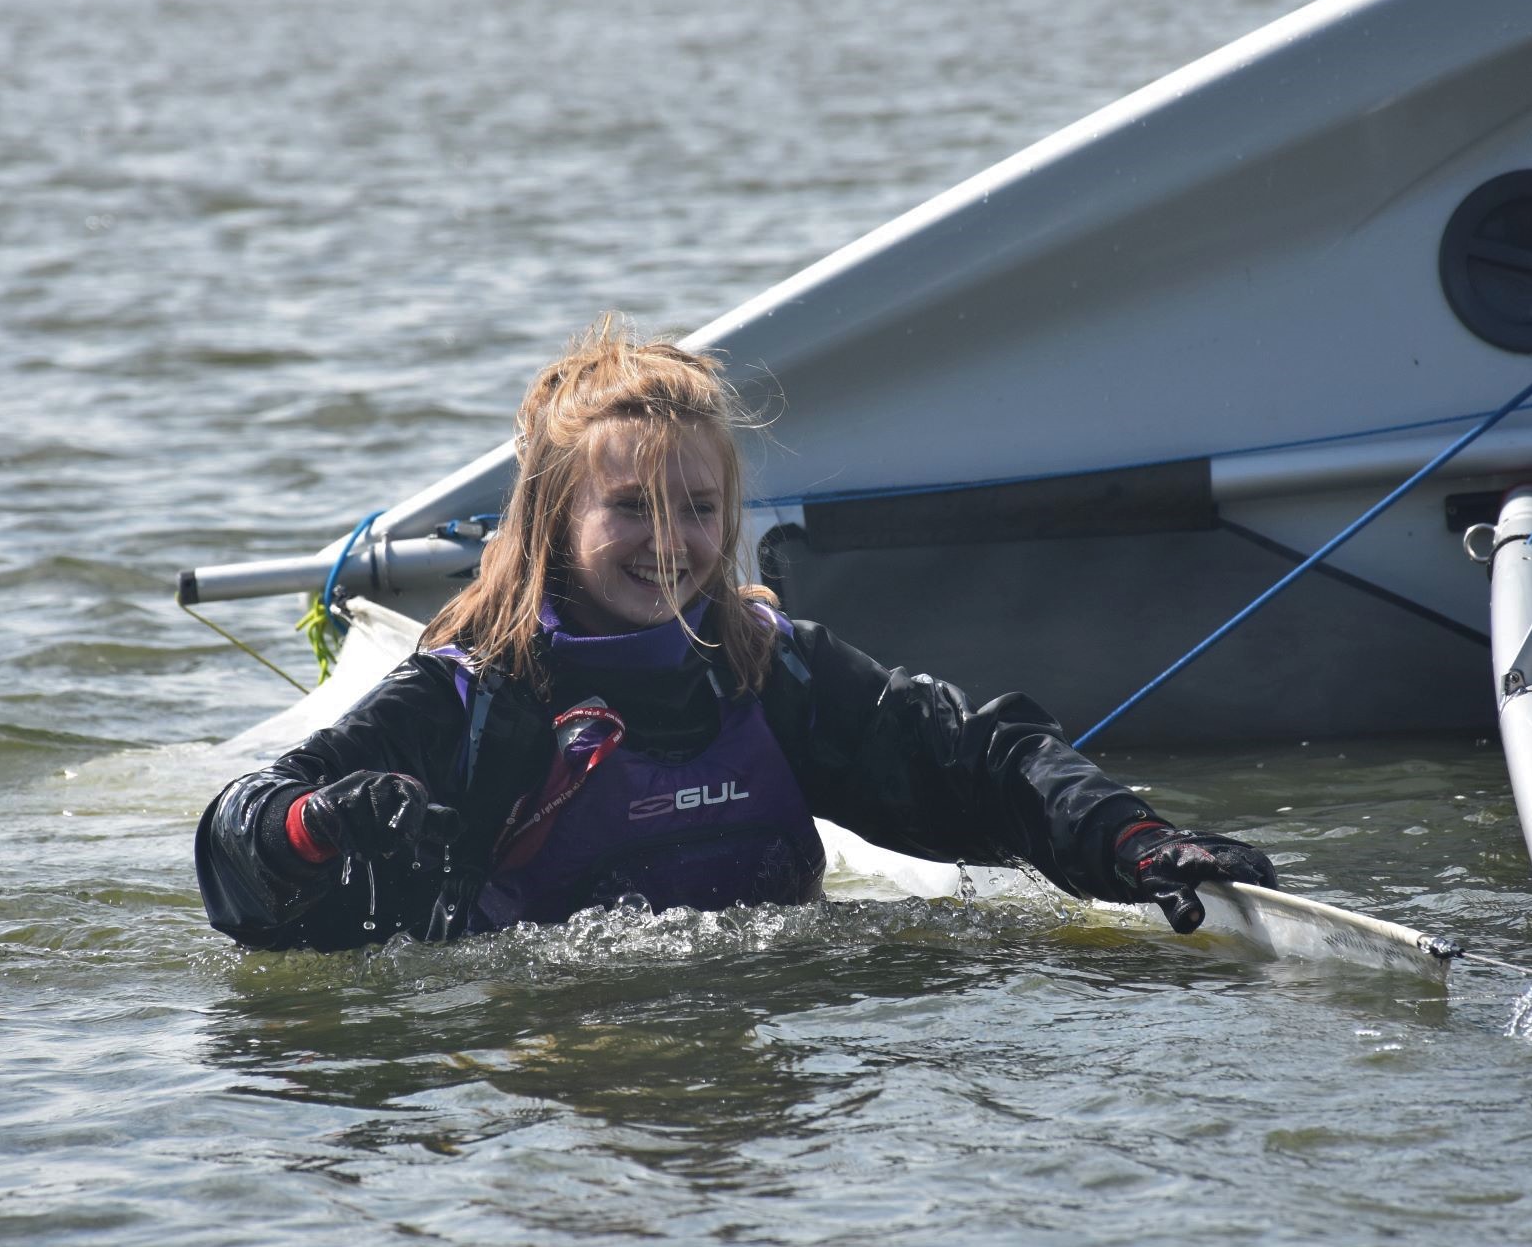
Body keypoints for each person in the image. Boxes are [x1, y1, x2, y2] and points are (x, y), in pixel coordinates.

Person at [195, 319, 1277, 952]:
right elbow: (235, 844)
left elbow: (982, 762)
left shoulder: (773, 667)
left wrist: (1130, 839)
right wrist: (316, 826)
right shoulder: (468, 697)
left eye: (699, 509)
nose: (671, 542)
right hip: (539, 1041)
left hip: (763, 1005)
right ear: (557, 524)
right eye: (629, 508)